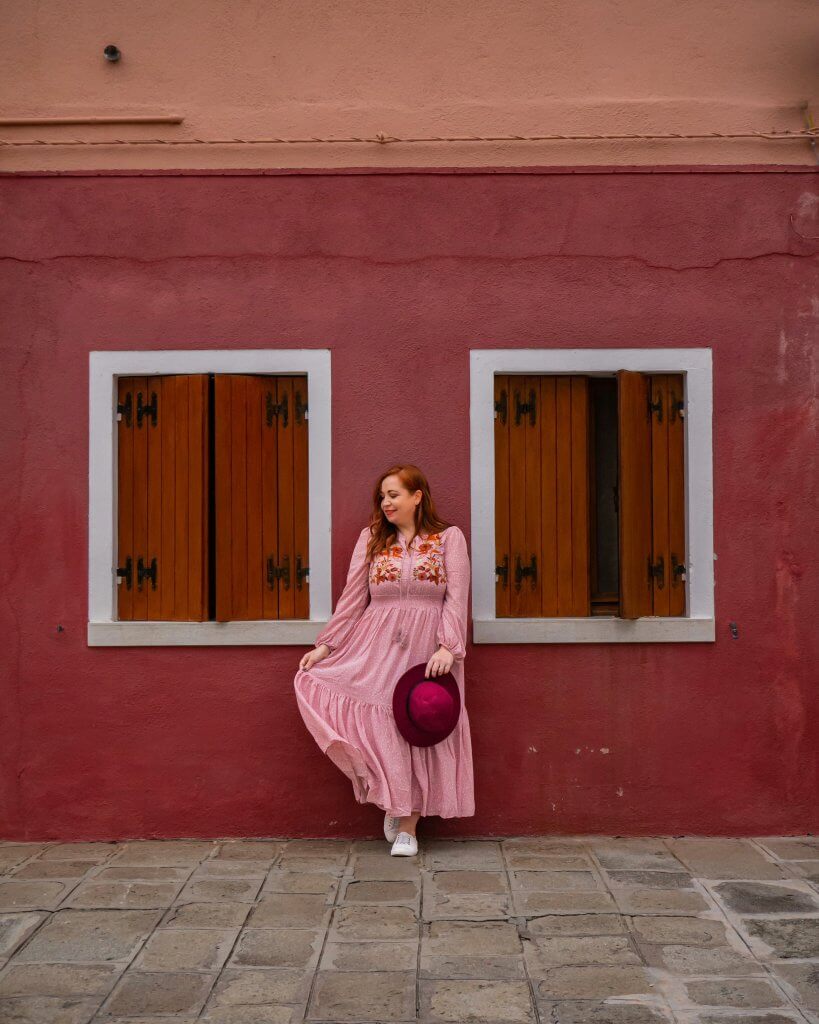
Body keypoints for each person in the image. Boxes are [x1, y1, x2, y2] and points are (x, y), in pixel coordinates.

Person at [293, 463, 475, 856]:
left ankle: (409, 826)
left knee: (416, 728)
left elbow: (456, 599)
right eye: (382, 496)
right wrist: (326, 646)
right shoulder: (372, 538)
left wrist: (448, 647)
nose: (385, 502)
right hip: (375, 647)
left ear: (417, 496)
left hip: (429, 652)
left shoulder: (448, 539)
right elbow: (353, 599)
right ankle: (395, 798)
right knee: (386, 728)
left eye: (393, 494)